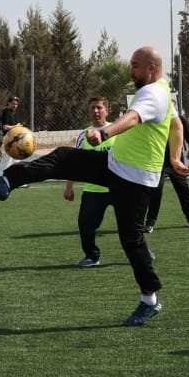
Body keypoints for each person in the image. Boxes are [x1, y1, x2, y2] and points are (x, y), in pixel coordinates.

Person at [0, 46, 189, 327]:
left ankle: (149, 299)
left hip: (135, 180)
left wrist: (105, 132)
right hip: (116, 165)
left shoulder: (153, 93)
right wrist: (174, 157)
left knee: (131, 240)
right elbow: (175, 125)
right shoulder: (163, 89)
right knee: (64, 157)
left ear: (152, 68)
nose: (130, 70)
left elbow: (133, 118)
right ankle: (5, 182)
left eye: (135, 66)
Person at [63, 96, 114, 267]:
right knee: (85, 225)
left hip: (119, 188)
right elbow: (75, 162)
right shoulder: (83, 135)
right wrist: (69, 187)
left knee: (131, 225)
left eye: (99, 107)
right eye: (93, 108)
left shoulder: (117, 131)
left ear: (107, 110)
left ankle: (141, 253)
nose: (96, 111)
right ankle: (91, 256)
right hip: (93, 190)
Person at [146, 109, 189, 230]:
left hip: (177, 163)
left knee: (184, 191)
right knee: (156, 191)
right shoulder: (154, 119)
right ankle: (150, 223)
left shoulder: (181, 120)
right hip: (158, 162)